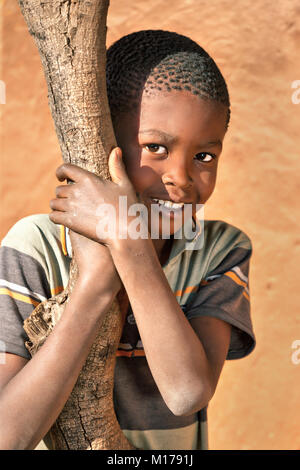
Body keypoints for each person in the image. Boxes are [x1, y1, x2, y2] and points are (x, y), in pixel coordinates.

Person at [0, 30, 255, 450]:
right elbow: (9, 438)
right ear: (107, 145)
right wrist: (94, 286)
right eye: (155, 147)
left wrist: (130, 245)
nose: (181, 177)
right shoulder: (35, 248)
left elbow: (186, 393)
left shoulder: (219, 251)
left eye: (204, 156)